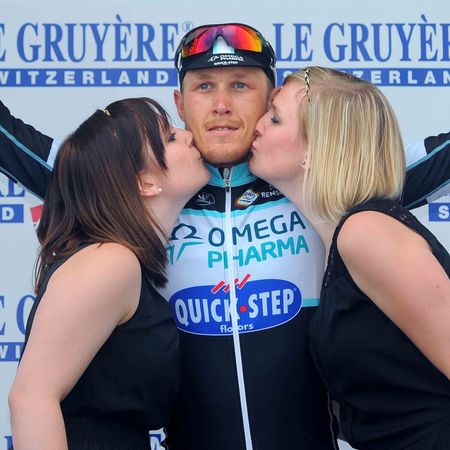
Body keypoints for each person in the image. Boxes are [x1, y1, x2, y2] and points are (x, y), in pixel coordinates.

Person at [1, 23, 449, 450]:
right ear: (180, 104)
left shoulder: (323, 184)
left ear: (270, 100)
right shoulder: (133, 188)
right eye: (203, 87)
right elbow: (12, 142)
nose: (221, 104)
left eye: (240, 85)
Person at [250, 66, 450, 450]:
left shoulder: (366, 233)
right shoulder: (342, 241)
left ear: (314, 150)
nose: (258, 125)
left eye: (274, 118)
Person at [7, 97, 210, 449]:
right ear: (145, 182)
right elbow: (30, 398)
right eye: (170, 137)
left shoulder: (123, 262)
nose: (188, 134)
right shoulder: (111, 262)